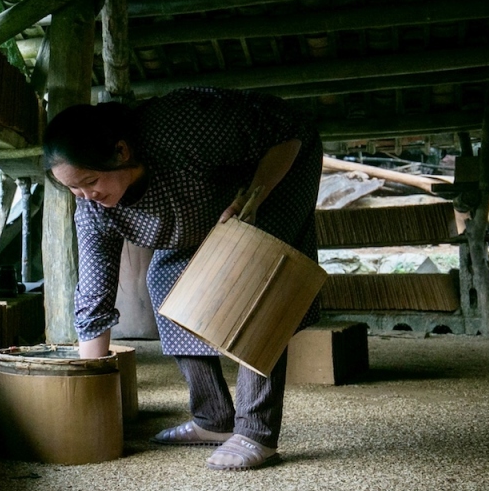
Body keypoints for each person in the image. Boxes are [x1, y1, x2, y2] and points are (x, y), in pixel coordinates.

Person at [42, 87, 322, 471]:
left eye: (89, 181)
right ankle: (214, 418)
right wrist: (85, 397)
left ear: (121, 152)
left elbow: (285, 133)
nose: (86, 196)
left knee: (259, 280)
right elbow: (94, 296)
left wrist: (252, 198)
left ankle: (257, 431)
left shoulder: (178, 130)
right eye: (73, 189)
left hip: (274, 165)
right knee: (165, 278)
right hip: (202, 209)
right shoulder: (93, 212)